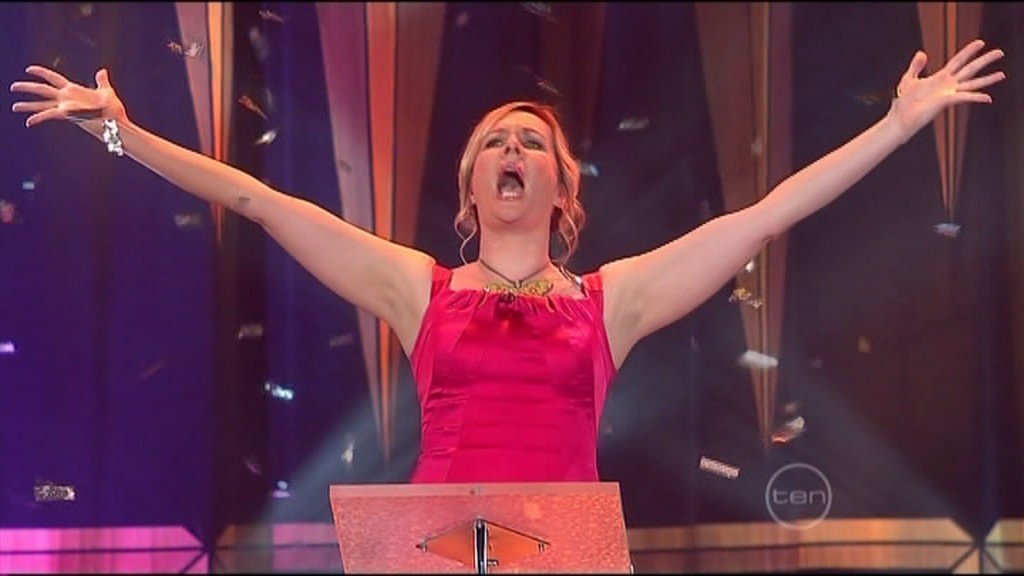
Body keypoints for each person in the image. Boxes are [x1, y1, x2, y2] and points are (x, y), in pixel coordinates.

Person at [10, 39, 1005, 483]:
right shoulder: (417, 289)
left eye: (531, 141)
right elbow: (258, 201)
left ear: (563, 190)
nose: (512, 149)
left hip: (564, 554)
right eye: (494, 141)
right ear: (472, 188)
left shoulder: (613, 302)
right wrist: (121, 135)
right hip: (434, 552)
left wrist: (895, 126)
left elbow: (765, 215)